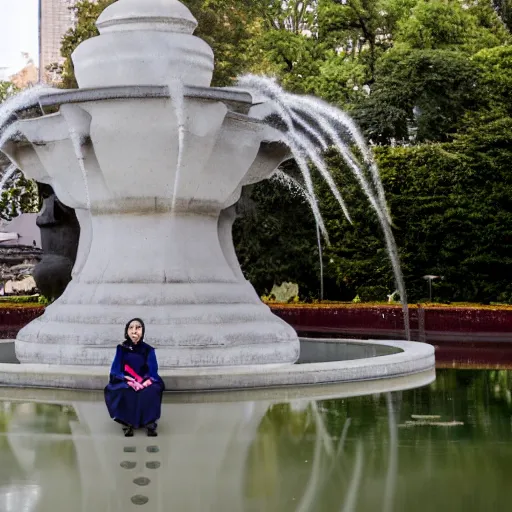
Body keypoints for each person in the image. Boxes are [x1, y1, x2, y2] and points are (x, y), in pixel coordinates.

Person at [104, 318, 165, 437]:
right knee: (122, 390)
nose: (134, 331)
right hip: (127, 380)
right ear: (127, 332)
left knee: (152, 390)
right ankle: (127, 423)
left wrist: (144, 383)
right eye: (131, 328)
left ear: (143, 331)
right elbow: (115, 369)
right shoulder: (121, 349)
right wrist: (129, 380)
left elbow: (153, 370)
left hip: (145, 380)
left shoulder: (148, 350)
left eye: (138, 328)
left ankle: (149, 423)